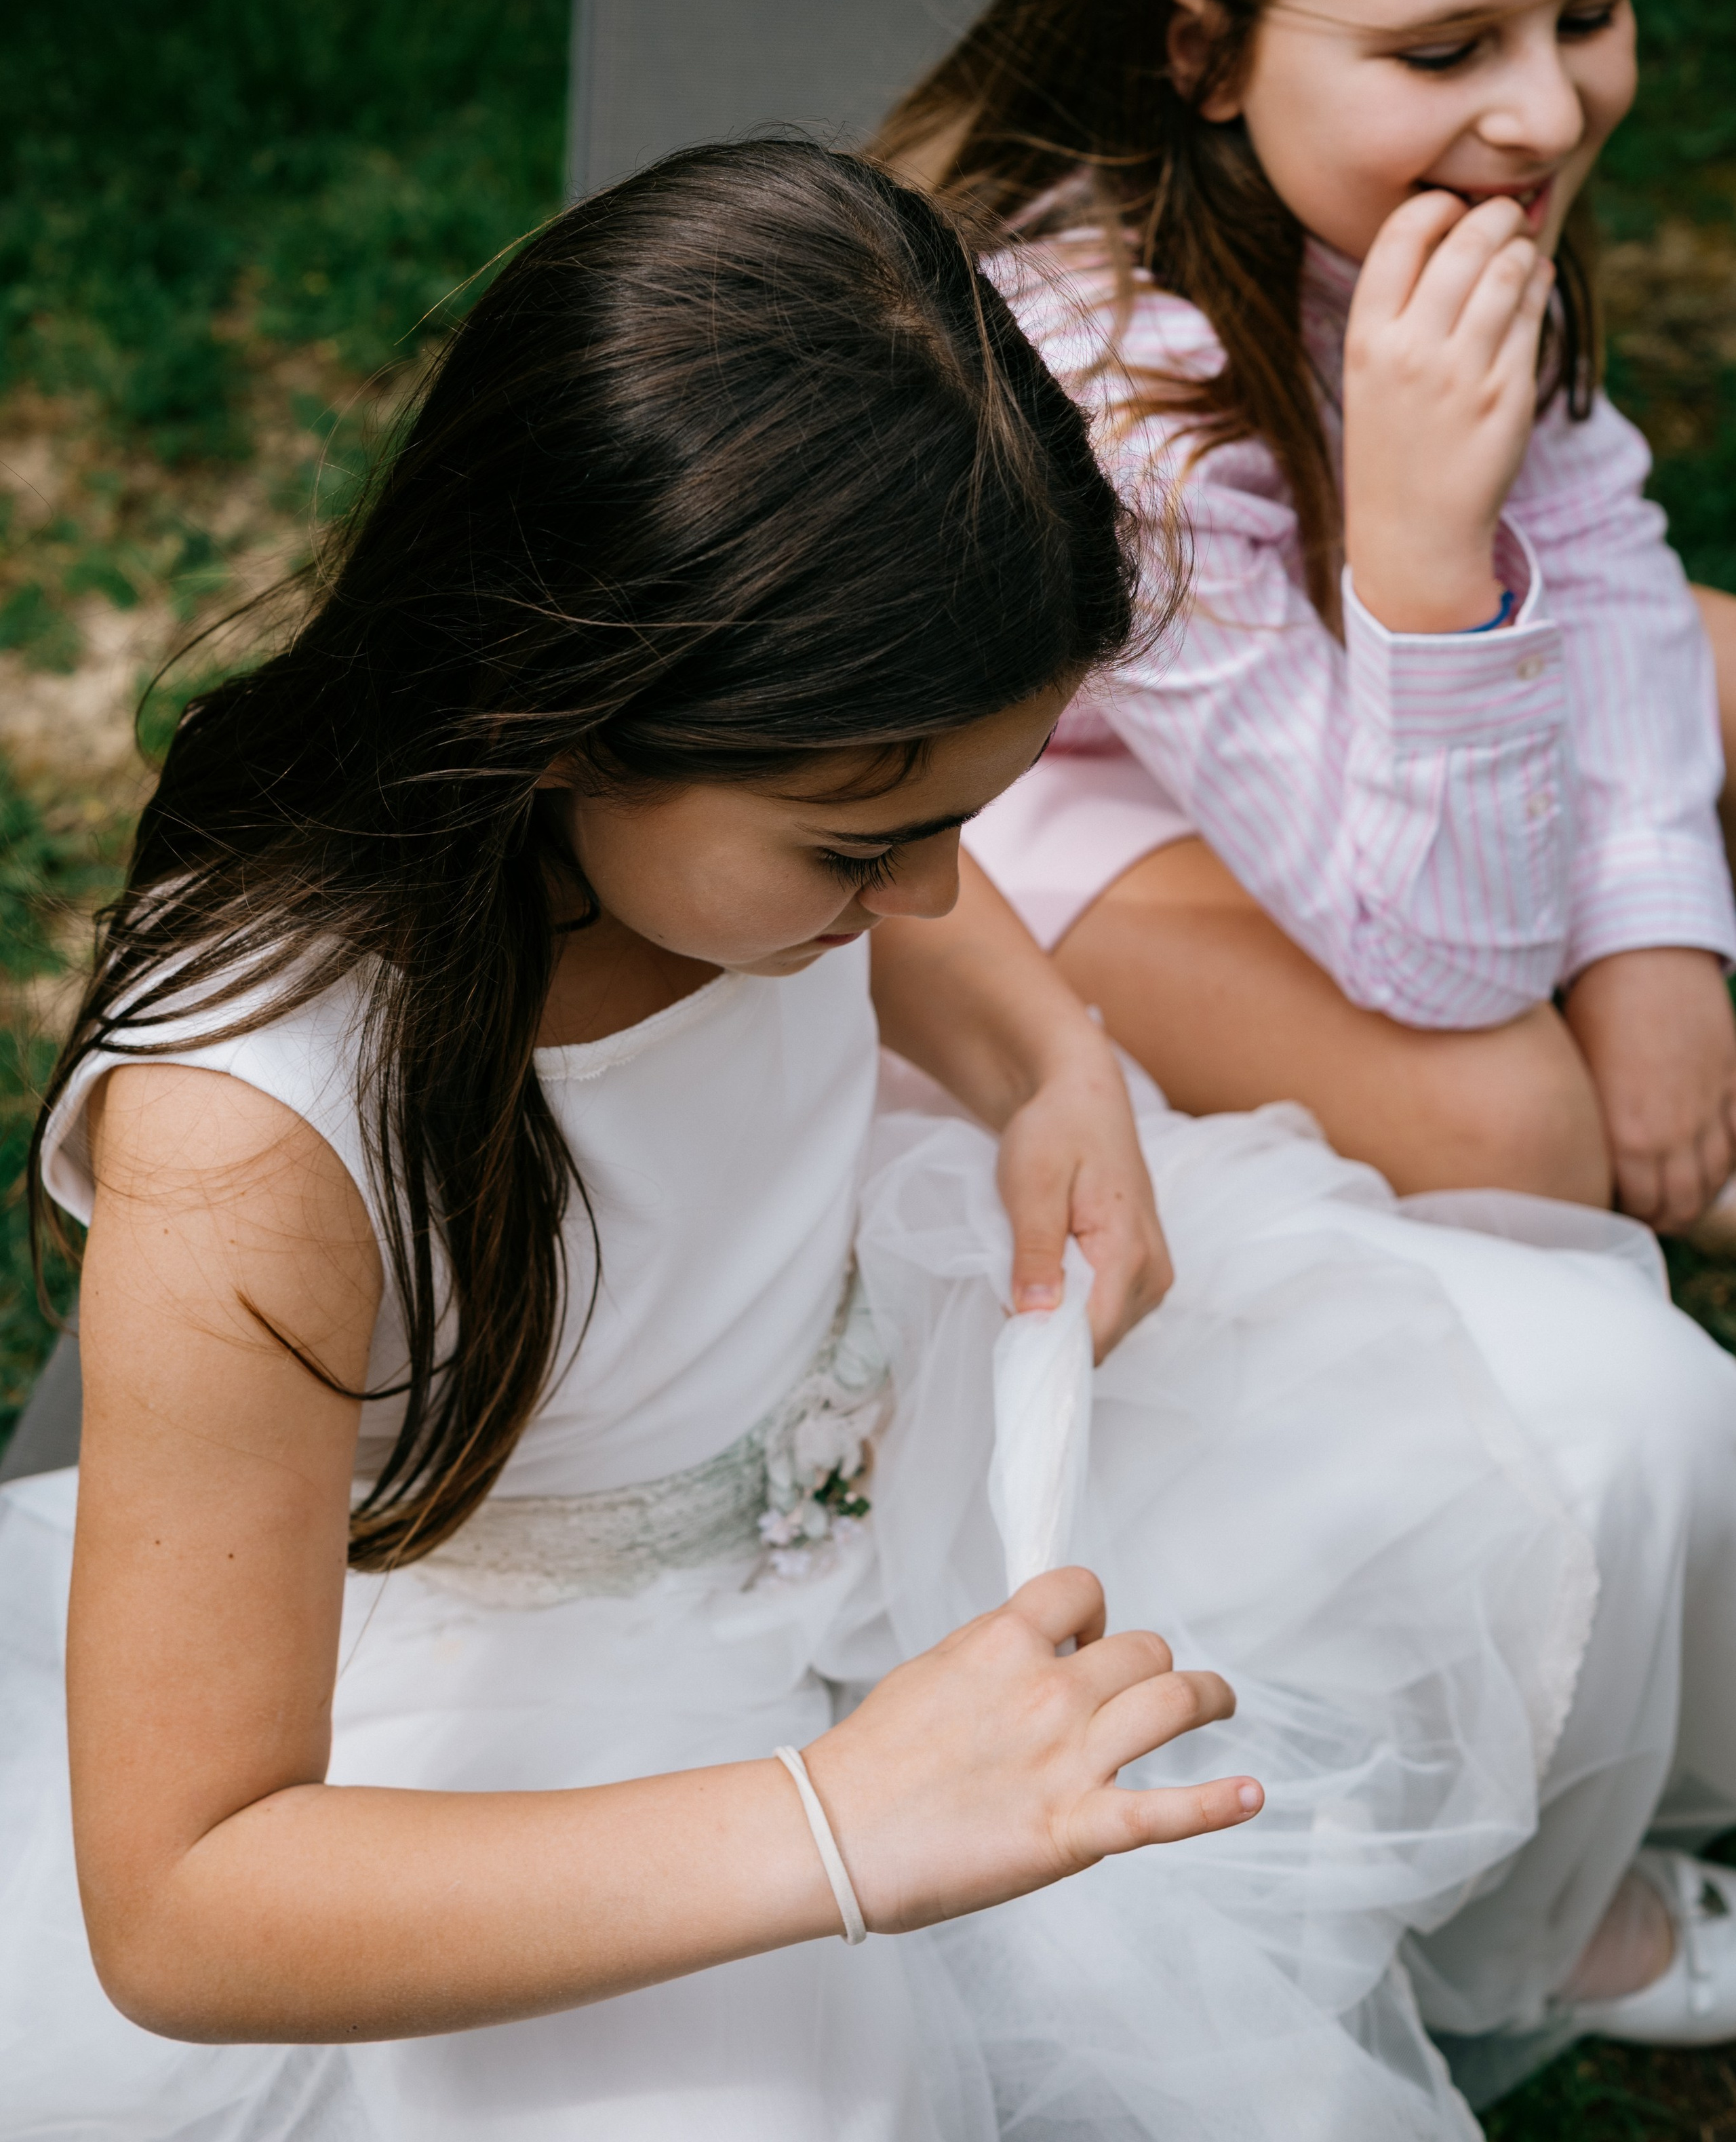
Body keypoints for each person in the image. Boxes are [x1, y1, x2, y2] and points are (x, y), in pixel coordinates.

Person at [0, 139, 1733, 2142]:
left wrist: (1051, 1061)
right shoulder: (254, 1126)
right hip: (524, 1722)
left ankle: (1492, 1916)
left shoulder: (750, 810)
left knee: (1617, 1415)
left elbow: (925, 908)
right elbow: (187, 1892)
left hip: (910, 1403)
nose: (922, 899)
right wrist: (837, 1826)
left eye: (960, 829)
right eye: (859, 844)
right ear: (569, 709)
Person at [873, 0, 1736, 1241]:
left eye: (1589, 14)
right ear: (1202, 52)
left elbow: (1597, 553)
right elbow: (1436, 960)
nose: (1546, 111)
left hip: (1353, 658)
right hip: (1061, 801)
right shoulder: (1109, 398)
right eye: (1443, 49)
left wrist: (1649, 938)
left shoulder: (1445, 206)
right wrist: (1422, 553)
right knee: (1514, 1126)